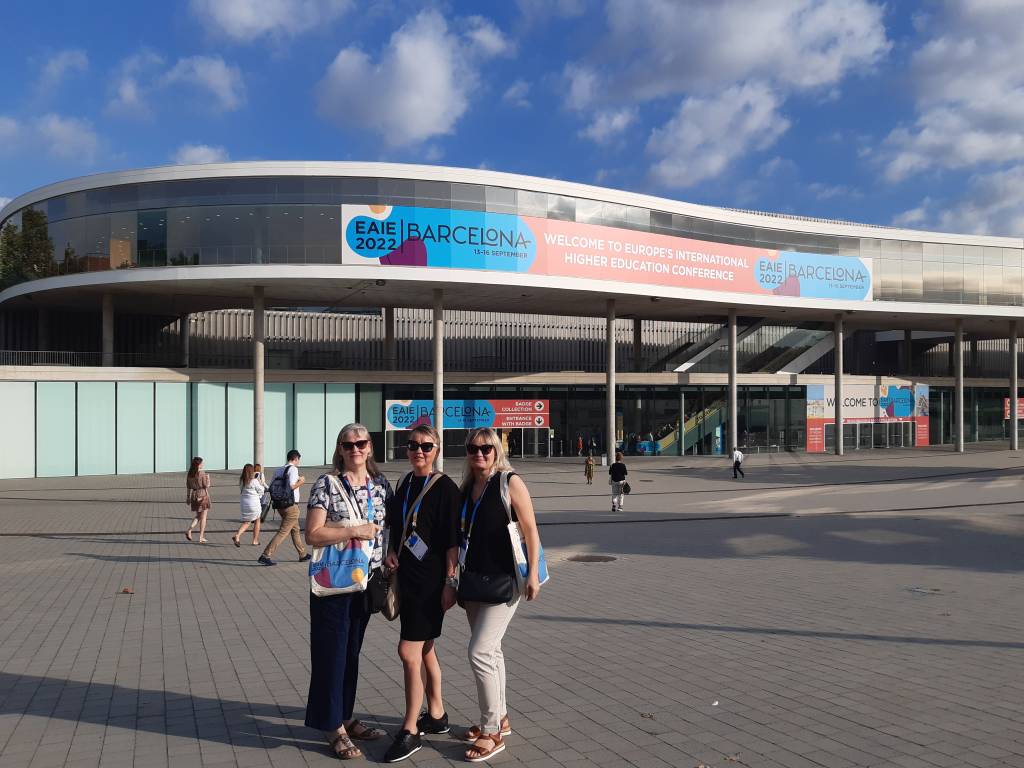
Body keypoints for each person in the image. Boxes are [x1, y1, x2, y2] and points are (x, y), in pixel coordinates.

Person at [304, 423, 392, 760]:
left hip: (367, 580)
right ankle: (331, 726)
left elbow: (388, 529)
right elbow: (312, 533)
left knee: (351, 652)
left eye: (361, 442)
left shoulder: (380, 484)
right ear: (340, 449)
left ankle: (344, 714)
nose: (355, 448)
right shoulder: (327, 484)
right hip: (335, 582)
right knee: (331, 653)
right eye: (348, 444)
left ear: (370, 447)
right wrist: (354, 529)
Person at [458, 427, 543, 763]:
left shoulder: (509, 482)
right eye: (473, 449)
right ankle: (502, 717)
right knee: (491, 652)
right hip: (474, 580)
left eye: (486, 449)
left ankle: (491, 730)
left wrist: (533, 573)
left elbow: (531, 528)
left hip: (506, 580)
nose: (480, 455)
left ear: (496, 451)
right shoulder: (467, 487)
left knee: (479, 651)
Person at [381, 425, 460, 763]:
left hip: (431, 583)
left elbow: (452, 542)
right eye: (412, 445)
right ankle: (437, 715)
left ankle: (410, 729)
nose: (418, 451)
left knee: (407, 651)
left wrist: (450, 583)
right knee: (425, 647)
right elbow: (398, 530)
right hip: (407, 578)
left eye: (426, 446)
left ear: (436, 450)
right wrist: (391, 553)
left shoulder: (445, 488)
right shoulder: (404, 483)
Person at [259, 449, 307, 566]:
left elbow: (271, 487)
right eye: (298, 460)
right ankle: (266, 555)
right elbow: (291, 486)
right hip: (291, 505)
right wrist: (301, 482)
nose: (298, 462)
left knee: (295, 529)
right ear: (296, 459)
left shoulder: (278, 470)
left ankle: (303, 554)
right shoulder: (293, 469)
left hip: (280, 505)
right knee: (283, 531)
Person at [233, 463, 268, 547]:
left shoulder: (242, 481)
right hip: (254, 503)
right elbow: (261, 489)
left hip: (244, 503)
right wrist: (259, 494)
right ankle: (255, 540)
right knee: (257, 520)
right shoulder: (254, 481)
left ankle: (237, 535)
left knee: (247, 522)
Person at [185, 456, 210, 543]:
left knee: (198, 516)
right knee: (203, 517)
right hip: (202, 494)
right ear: (198, 464)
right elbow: (206, 485)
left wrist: (188, 497)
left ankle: (189, 530)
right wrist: (208, 478)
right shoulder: (202, 473)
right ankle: (201, 537)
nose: (203, 464)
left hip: (194, 495)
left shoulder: (190, 473)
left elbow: (188, 486)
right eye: (202, 463)